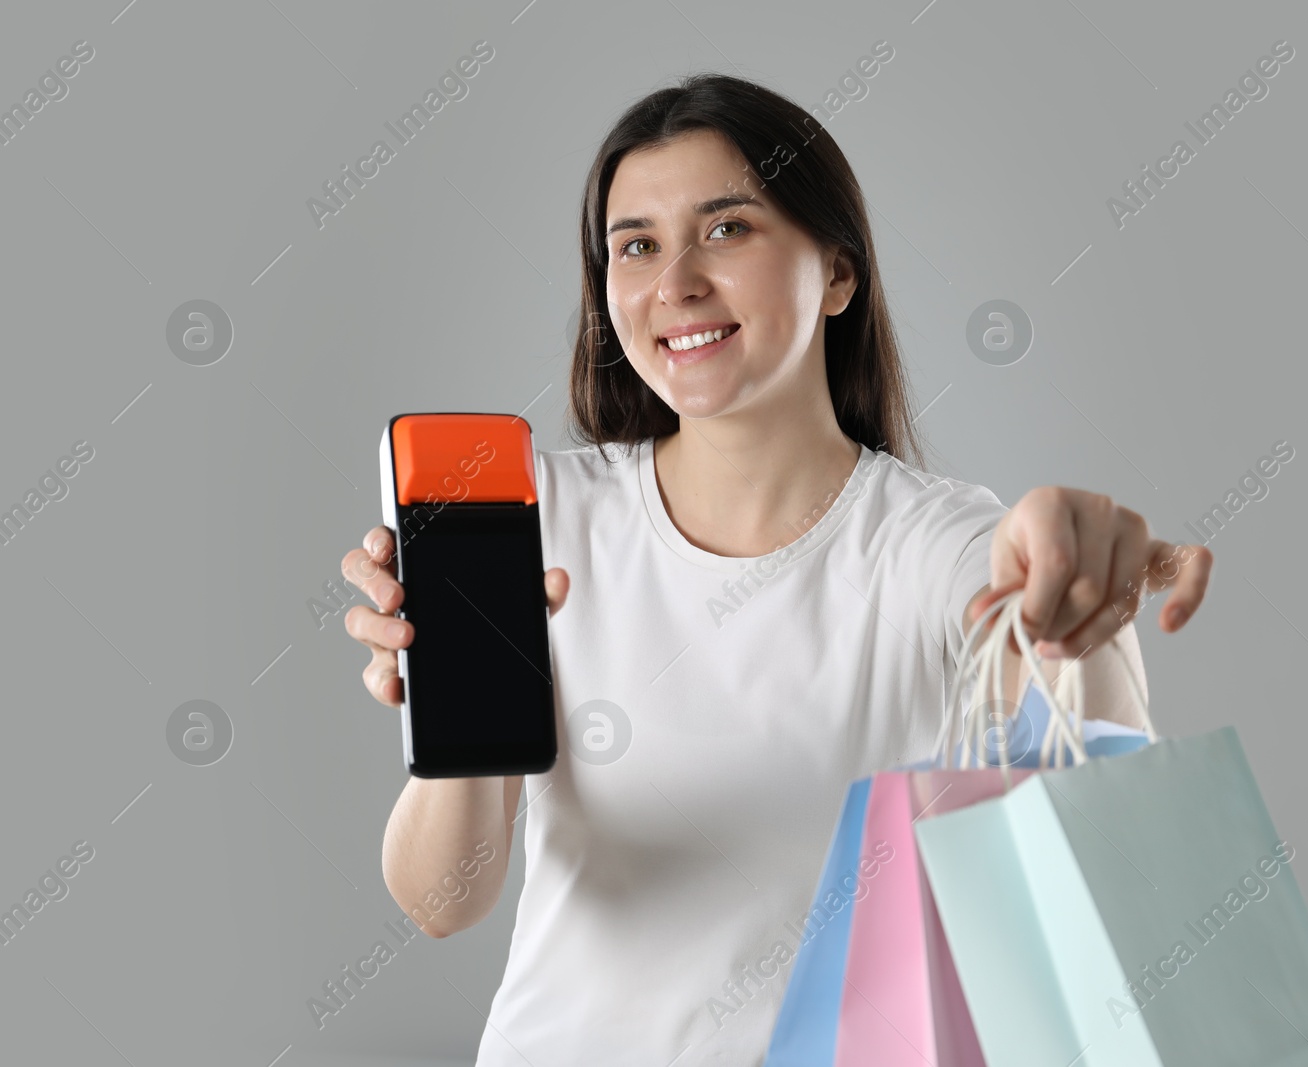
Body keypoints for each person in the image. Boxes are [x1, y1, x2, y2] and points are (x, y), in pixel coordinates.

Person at [339, 72, 1211, 1066]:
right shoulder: (537, 520)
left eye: (726, 229)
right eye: (636, 246)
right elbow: (444, 901)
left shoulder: (933, 543)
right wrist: (464, 710)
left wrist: (1067, 579)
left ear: (836, 273)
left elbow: (1093, 816)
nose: (675, 285)